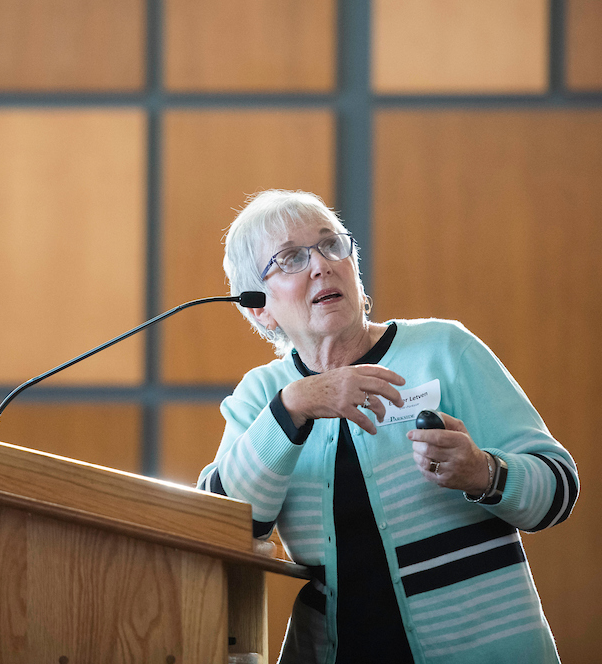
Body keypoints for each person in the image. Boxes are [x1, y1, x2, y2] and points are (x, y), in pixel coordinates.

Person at [198, 190, 578, 664]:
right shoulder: (264, 396)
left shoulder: (444, 349)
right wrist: (293, 406)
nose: (321, 265)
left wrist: (484, 473)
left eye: (331, 245)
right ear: (259, 307)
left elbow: (558, 488)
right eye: (291, 258)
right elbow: (223, 524)